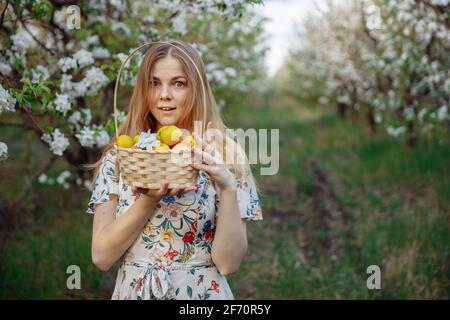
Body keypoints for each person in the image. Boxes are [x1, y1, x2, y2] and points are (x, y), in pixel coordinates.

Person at [84, 40, 263, 300]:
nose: (164, 95)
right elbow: (101, 257)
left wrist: (227, 187)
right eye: (154, 83)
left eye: (178, 83)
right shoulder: (121, 157)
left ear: (196, 89)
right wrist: (149, 199)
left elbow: (228, 264)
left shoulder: (226, 157)